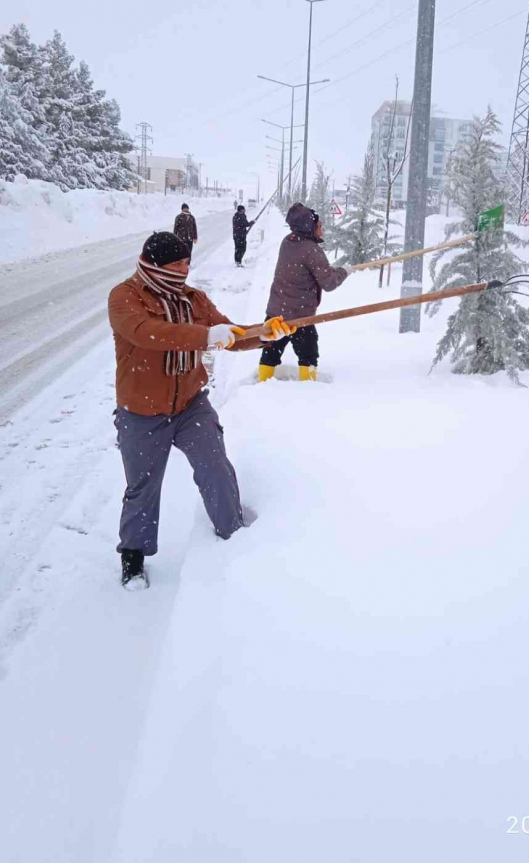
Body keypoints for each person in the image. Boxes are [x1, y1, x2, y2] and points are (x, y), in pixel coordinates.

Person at [108, 231, 294, 589]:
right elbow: (147, 332)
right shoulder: (125, 297)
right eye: (178, 263)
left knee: (215, 466)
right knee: (143, 487)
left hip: (191, 404)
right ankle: (133, 556)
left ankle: (233, 533)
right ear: (157, 264)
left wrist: (263, 334)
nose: (185, 269)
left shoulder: (193, 299)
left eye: (187, 262)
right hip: (142, 412)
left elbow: (230, 333)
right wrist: (205, 335)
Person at [259, 202, 351, 383]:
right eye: (320, 226)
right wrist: (344, 272)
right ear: (309, 227)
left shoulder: (288, 241)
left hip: (276, 312)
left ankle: (262, 383)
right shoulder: (312, 250)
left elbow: (303, 269)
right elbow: (329, 283)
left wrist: (329, 269)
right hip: (300, 317)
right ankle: (307, 391)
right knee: (308, 354)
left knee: (271, 350)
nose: (322, 230)